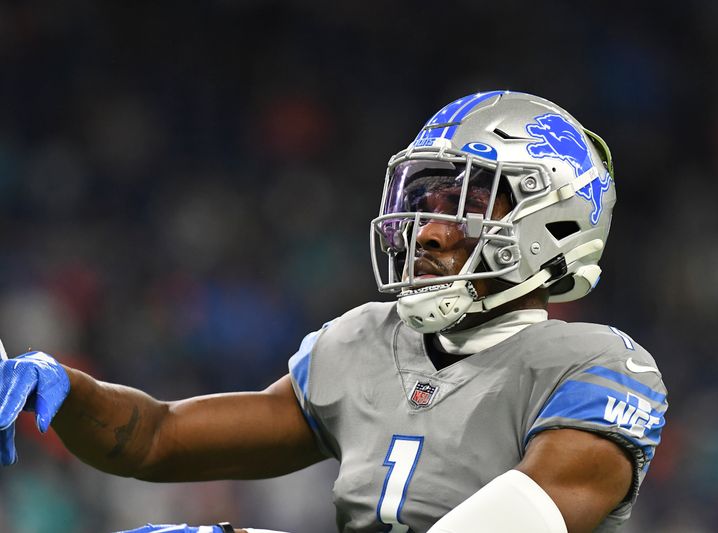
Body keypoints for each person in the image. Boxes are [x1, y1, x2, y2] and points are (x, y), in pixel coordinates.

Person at [0, 91, 667, 533]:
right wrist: (59, 386)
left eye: (466, 206)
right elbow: (158, 437)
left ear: (552, 223)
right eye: (428, 202)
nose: (430, 232)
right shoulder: (365, 342)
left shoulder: (599, 366)